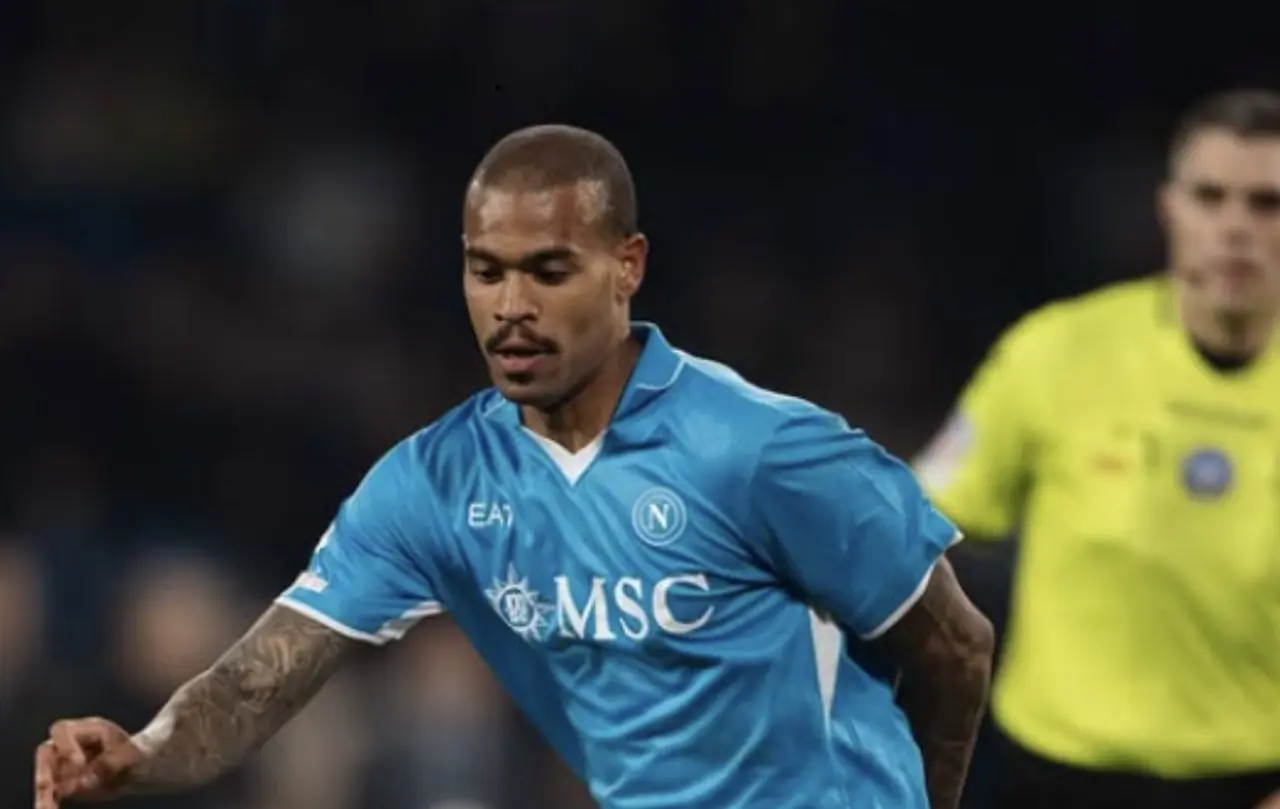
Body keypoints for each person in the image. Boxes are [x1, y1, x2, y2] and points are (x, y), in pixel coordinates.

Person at [35, 124, 994, 809]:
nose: (510, 307)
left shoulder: (764, 451)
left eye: (548, 270)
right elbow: (259, 679)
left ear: (627, 266)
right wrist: (141, 752)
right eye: (486, 270)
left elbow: (954, 648)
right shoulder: (434, 482)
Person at [916, 88, 1280, 809]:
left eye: (1267, 203)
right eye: (1210, 197)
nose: (1235, 227)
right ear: (1169, 208)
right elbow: (909, 526)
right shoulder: (1057, 352)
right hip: (1049, 779)